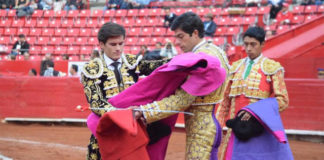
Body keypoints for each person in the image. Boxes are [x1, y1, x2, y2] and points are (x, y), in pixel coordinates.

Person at [133, 12, 231, 159]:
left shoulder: (201, 60)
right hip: (208, 122)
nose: (177, 42)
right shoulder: (215, 51)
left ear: (195, 33)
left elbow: (182, 100)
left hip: (201, 129)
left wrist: (145, 111)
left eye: (181, 36)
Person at [81, 22, 169, 160]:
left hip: (133, 129)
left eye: (121, 43)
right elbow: (96, 103)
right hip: (108, 129)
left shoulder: (131, 62)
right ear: (102, 45)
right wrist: (125, 115)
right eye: (113, 44)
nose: (118, 48)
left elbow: (158, 67)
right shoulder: (91, 69)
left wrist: (182, 61)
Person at [217, 26, 289, 160]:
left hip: (258, 129)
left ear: (262, 44)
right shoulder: (235, 67)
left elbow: (283, 100)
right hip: (234, 131)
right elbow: (225, 101)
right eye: (246, 44)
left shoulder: (272, 68)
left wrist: (254, 112)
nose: (248, 48)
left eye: (253, 44)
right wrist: (218, 126)